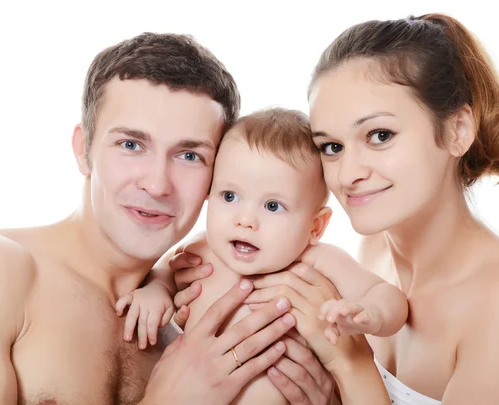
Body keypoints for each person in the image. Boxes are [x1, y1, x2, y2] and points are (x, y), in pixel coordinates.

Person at [171, 13, 499, 405]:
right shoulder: (373, 253)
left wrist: (350, 364)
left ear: (457, 130)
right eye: (332, 147)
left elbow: (355, 371)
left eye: (379, 136)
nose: (349, 173)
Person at [0, 32, 339, 405]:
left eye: (189, 155)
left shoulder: (200, 328)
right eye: (131, 145)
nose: (158, 184)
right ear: (83, 150)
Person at [116, 108, 409, 405]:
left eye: (272, 206)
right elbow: (165, 269)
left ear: (315, 226)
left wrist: (371, 315)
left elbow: (386, 294)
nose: (245, 220)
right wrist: (155, 291)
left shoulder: (315, 261)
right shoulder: (202, 251)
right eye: (229, 196)